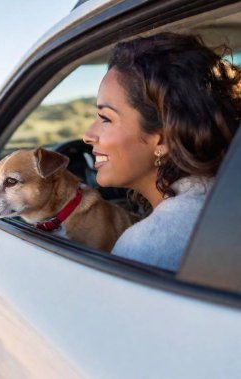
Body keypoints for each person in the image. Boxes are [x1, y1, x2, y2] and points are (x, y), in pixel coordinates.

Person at [83, 32, 241, 271]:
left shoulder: (142, 248)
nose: (87, 135)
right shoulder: (223, 197)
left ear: (163, 139)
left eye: (105, 118)